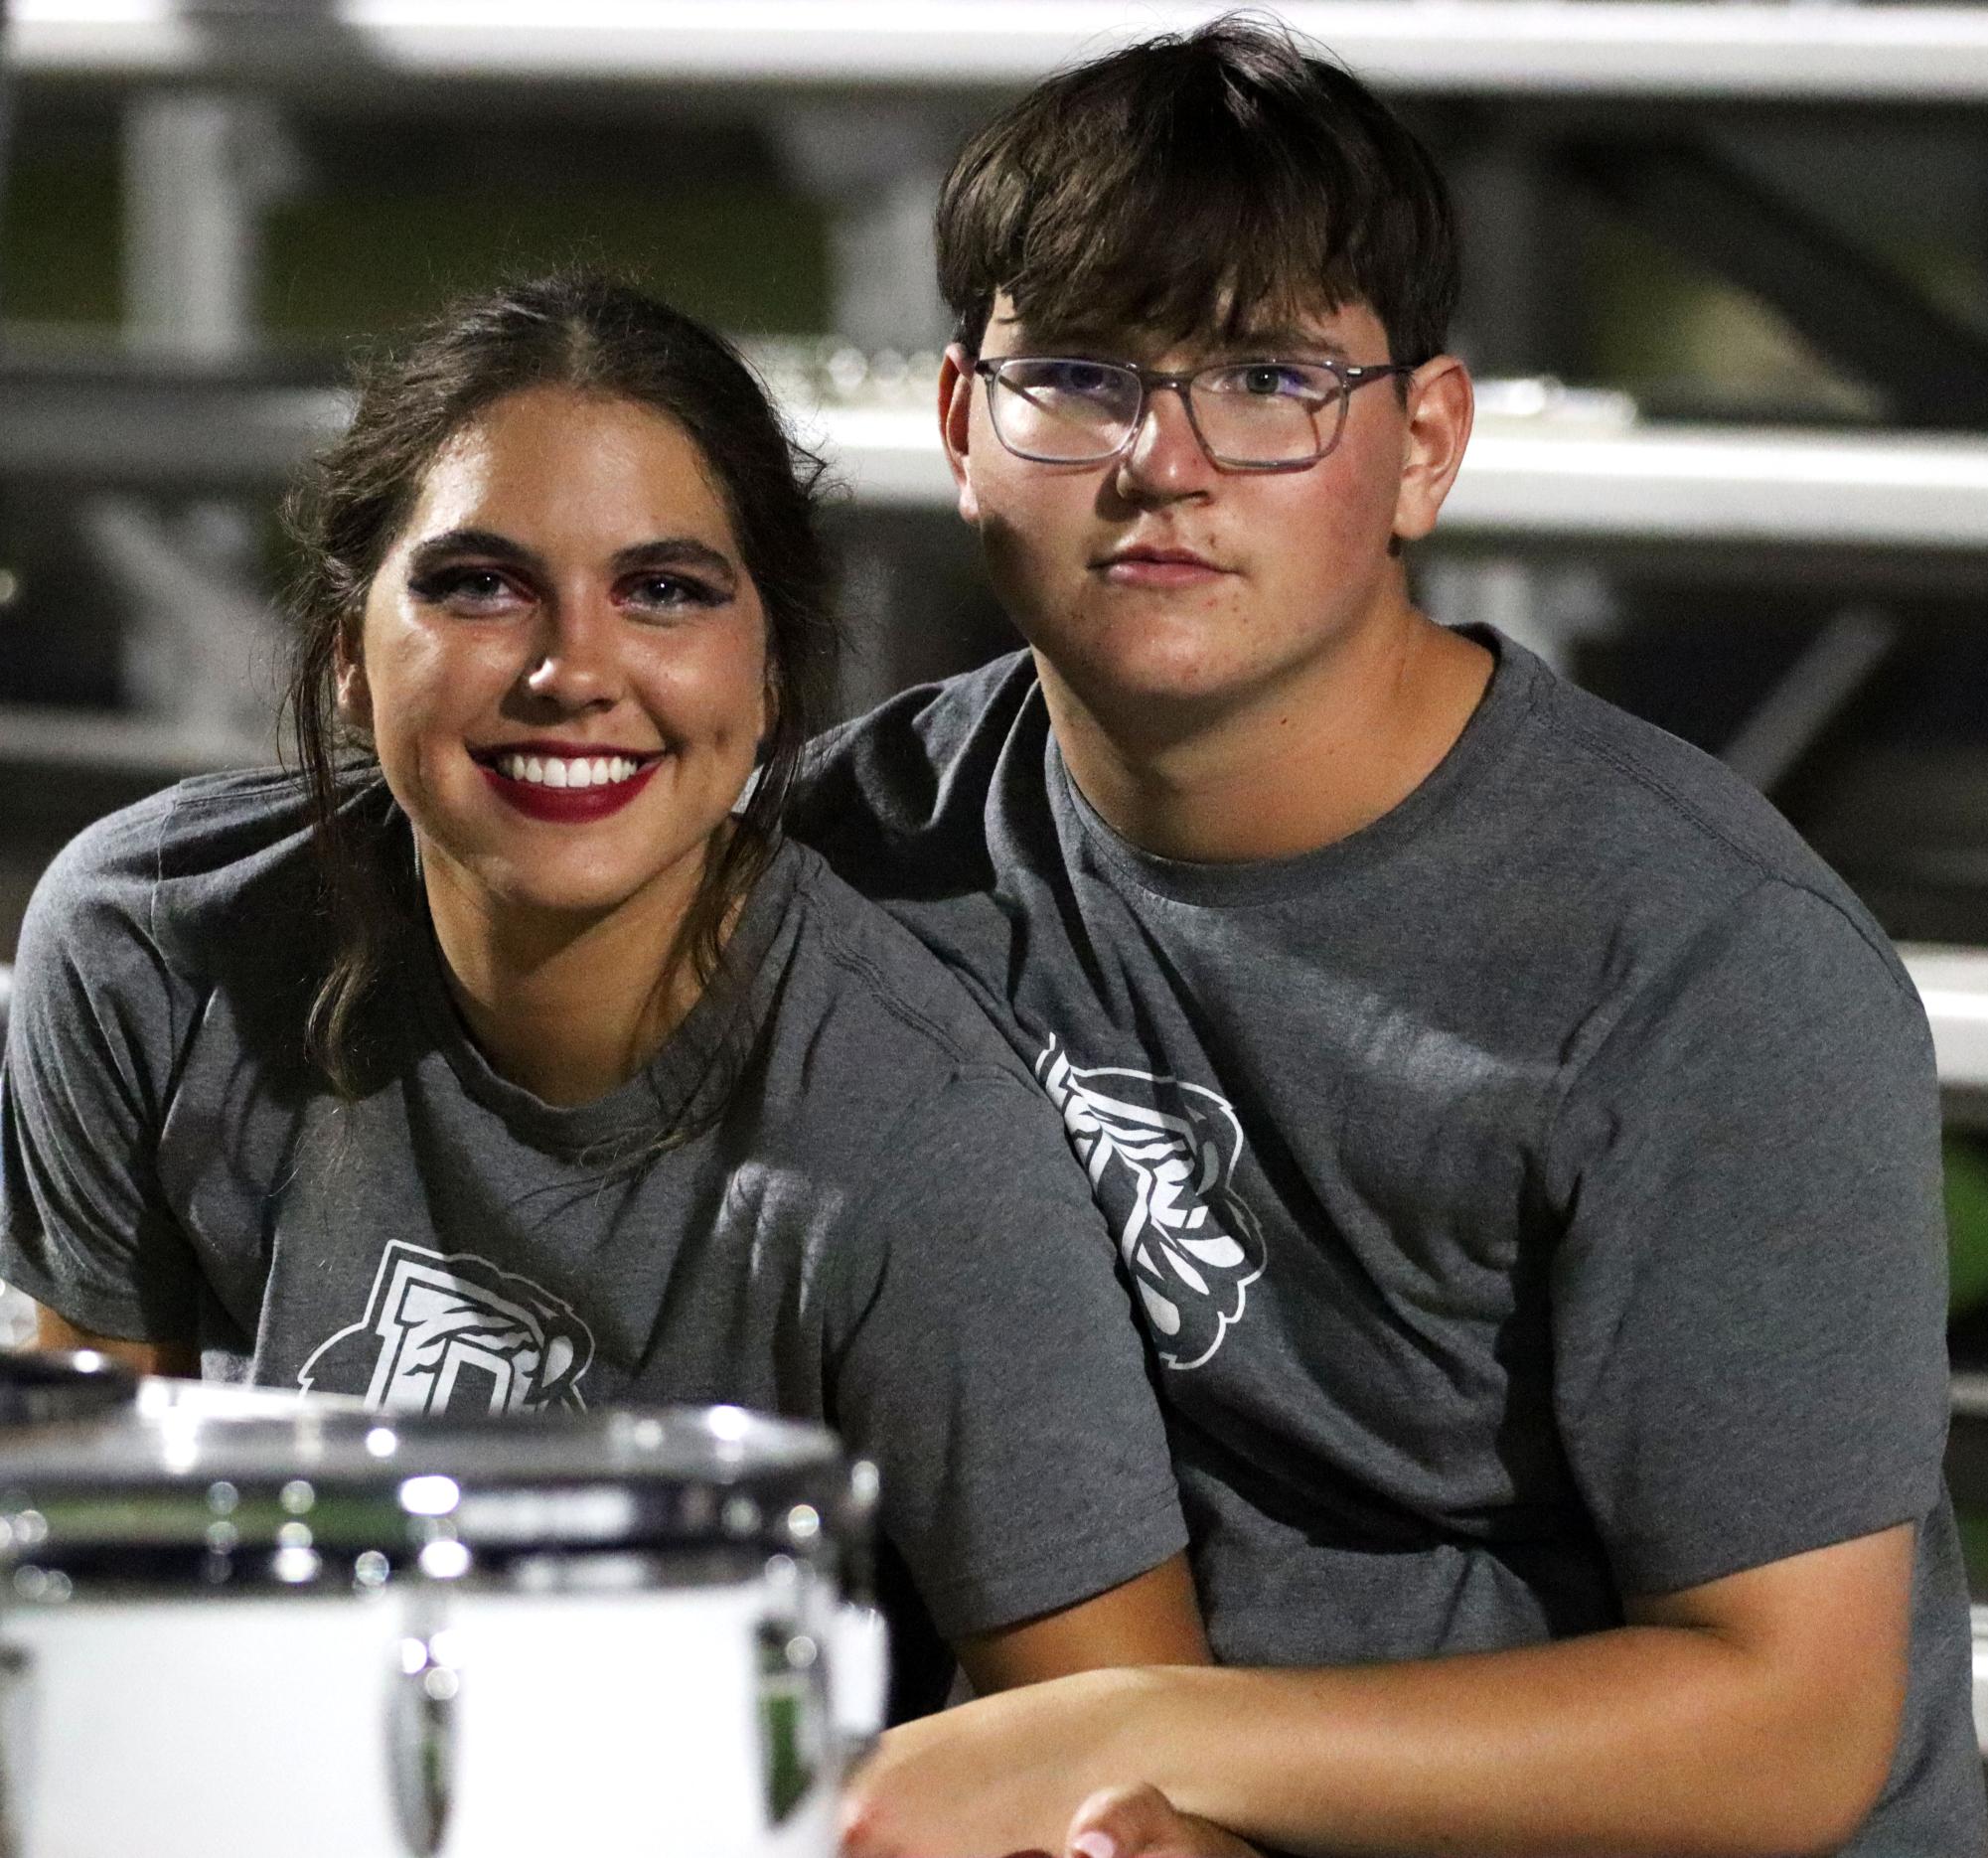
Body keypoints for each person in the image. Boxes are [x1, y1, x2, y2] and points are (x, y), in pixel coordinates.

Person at [793, 21, 1986, 1856]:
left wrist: (1135, 1736)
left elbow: (1788, 1719)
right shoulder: (850, 848)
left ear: (1424, 444)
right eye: (1083, 379)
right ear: (962, 424)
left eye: (1267, 380)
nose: (1162, 462)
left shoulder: (1698, 959)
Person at [0, 274, 1206, 1713]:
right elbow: (86, 1612)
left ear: (767, 674)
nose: (574, 670)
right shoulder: (155, 944)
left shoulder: (911, 1140)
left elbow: (1121, 1762)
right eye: (479, 583)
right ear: (342, 655)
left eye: (664, 590)